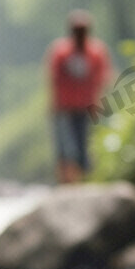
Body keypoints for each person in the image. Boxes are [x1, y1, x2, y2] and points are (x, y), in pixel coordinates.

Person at [46, 10, 112, 183]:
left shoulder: (96, 53)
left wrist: (97, 102)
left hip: (85, 108)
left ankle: (86, 182)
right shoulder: (61, 52)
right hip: (64, 109)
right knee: (65, 150)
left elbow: (101, 79)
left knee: (84, 148)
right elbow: (54, 80)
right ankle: (66, 185)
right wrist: (53, 105)